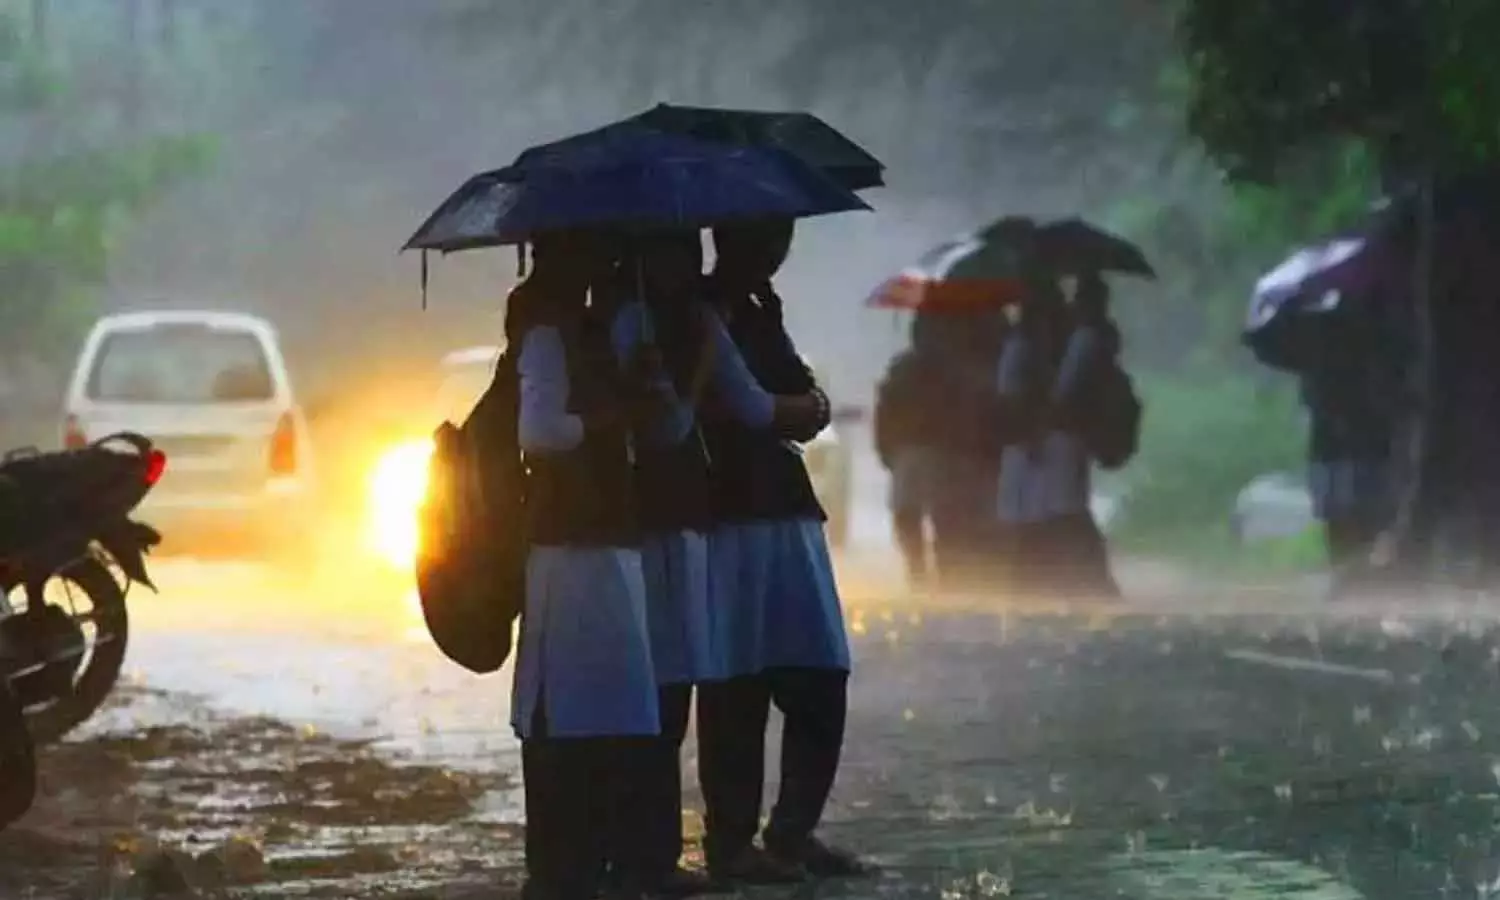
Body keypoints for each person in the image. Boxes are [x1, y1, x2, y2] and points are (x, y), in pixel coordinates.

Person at [694, 218, 869, 884]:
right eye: (766, 235)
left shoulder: (761, 309)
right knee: (737, 684)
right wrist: (801, 406)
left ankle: (791, 833)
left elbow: (799, 398)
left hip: (786, 508)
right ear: (727, 237)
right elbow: (761, 408)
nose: (776, 249)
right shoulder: (704, 311)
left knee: (820, 674)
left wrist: (800, 405)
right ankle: (732, 841)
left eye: (782, 236)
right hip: (729, 513)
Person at [508, 230, 664, 900]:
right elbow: (540, 431)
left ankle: (599, 857)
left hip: (608, 540)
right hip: (568, 546)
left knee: (609, 705)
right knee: (570, 711)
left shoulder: (594, 330)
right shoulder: (548, 332)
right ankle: (561, 868)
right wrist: (610, 416)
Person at [604, 230, 719, 897]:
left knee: (666, 696)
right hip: (653, 525)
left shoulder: (657, 318)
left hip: (667, 523)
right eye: (672, 250)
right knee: (660, 696)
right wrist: (701, 367)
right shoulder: (636, 324)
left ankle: (647, 850)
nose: (684, 263)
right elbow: (669, 427)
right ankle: (645, 854)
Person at [993, 272, 1123, 599]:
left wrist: (1035, 424)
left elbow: (1049, 392)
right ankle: (1076, 585)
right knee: (1057, 516)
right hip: (1052, 437)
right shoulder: (1075, 338)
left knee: (1051, 518)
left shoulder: (1052, 341)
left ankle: (1057, 585)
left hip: (1044, 439)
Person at [873, 318, 945, 590]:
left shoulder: (903, 369)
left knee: (909, 513)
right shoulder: (942, 371)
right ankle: (926, 569)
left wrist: (884, 447)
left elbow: (883, 411)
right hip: (927, 450)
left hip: (915, 450)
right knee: (924, 513)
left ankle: (920, 569)